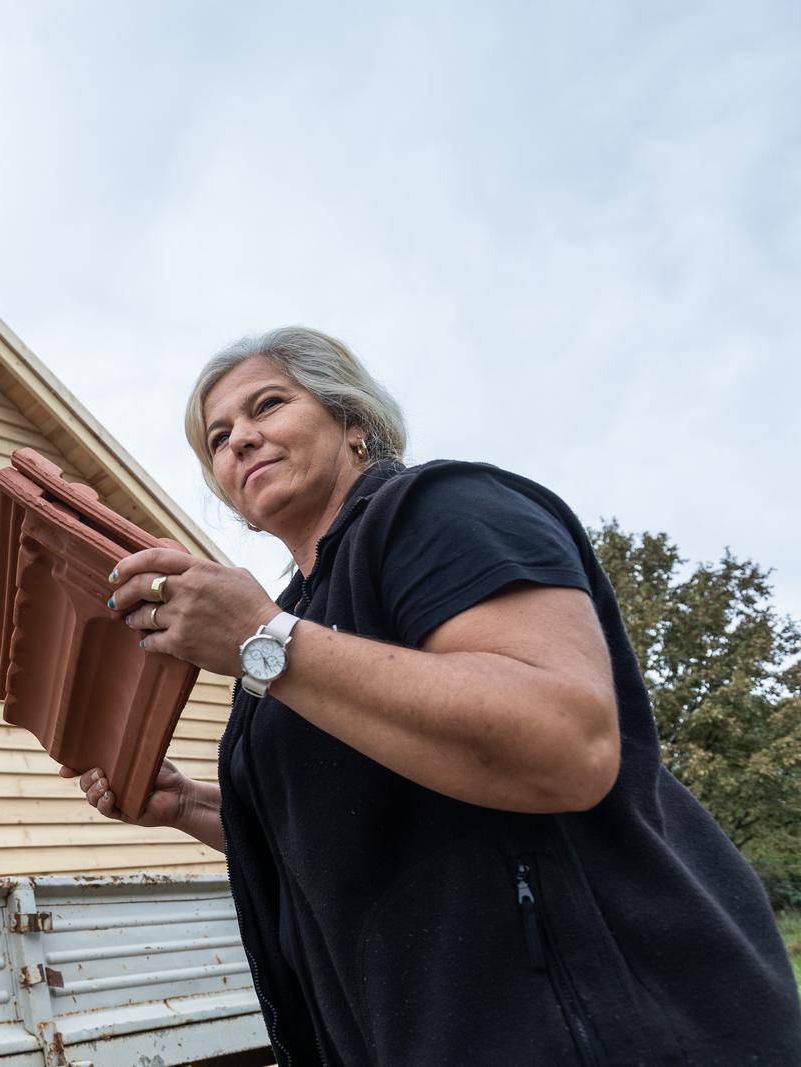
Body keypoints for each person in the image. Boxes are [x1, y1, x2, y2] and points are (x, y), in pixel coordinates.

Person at [62, 327, 801, 1064]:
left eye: (268, 406)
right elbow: (350, 828)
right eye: (218, 439)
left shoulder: (435, 508)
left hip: (619, 1027)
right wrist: (186, 804)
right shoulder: (286, 624)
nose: (241, 441)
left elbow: (565, 742)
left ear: (354, 422)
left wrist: (265, 640)